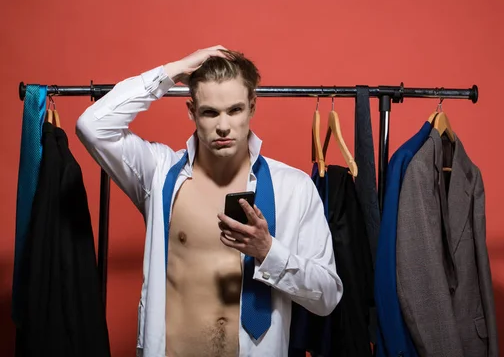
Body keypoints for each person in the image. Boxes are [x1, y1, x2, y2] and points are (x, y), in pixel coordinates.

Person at [76, 46, 344, 357]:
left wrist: (269, 252)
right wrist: (171, 72)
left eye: (235, 110)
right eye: (210, 112)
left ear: (252, 107)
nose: (223, 126)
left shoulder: (294, 188)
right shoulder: (159, 175)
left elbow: (327, 298)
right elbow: (93, 127)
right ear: (191, 111)